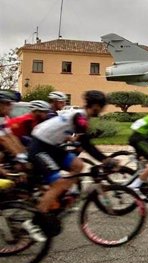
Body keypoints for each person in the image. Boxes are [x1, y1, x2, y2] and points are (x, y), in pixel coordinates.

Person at [28, 91, 113, 241]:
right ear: (95, 106)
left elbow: (79, 141)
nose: (102, 110)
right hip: (39, 146)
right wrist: (105, 160)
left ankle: (58, 199)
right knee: (58, 183)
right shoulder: (79, 117)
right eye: (102, 107)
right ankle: (34, 222)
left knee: (78, 166)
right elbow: (86, 143)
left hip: (51, 146)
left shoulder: (81, 116)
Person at [0, 91, 27, 169]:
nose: (11, 107)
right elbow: (3, 140)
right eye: (8, 104)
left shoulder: (3, 118)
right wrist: (19, 156)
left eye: (11, 104)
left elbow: (11, 136)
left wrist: (24, 153)